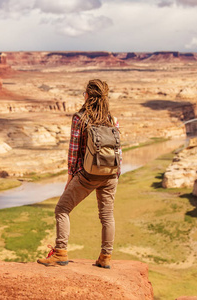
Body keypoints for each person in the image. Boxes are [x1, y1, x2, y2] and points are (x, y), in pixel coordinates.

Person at [37, 79, 121, 269]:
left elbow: (73, 152)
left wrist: (70, 178)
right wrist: (116, 174)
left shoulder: (80, 118)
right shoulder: (112, 119)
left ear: (88, 96)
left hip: (88, 174)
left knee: (62, 209)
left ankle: (60, 253)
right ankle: (105, 257)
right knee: (107, 216)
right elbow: (118, 150)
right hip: (110, 174)